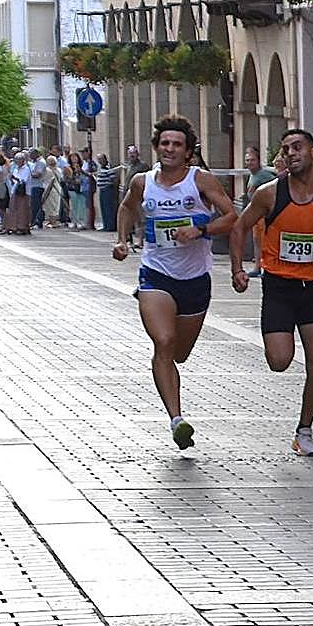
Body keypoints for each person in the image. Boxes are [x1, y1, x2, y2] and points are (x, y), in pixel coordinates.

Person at [229, 129, 313, 456]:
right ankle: (301, 424)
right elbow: (239, 226)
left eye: (297, 147)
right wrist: (237, 268)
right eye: (286, 148)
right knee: (279, 361)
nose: (291, 153)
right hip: (278, 287)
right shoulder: (269, 194)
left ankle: (304, 430)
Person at [112, 114, 237, 449]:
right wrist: (123, 241)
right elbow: (126, 208)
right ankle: (176, 419)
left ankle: (174, 406)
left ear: (188, 151)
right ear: (156, 147)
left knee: (180, 352)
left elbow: (232, 217)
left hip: (195, 278)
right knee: (164, 342)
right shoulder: (143, 181)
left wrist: (201, 230)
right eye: (164, 143)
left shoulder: (201, 181)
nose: (169, 149)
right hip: (155, 273)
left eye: (176, 144)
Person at [243, 146, 277, 278]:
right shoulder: (252, 175)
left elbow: (275, 186)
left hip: (264, 214)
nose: (249, 163)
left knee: (264, 241)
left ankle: (265, 267)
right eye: (247, 160)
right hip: (254, 214)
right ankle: (257, 266)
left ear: (258, 161)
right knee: (256, 241)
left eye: (252, 160)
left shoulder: (265, 175)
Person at [5, 152, 32, 235]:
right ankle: (14, 226)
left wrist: (14, 178)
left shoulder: (26, 169)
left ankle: (22, 227)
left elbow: (22, 180)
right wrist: (11, 179)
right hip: (15, 190)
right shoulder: (16, 168)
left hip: (23, 192)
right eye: (16, 160)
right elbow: (14, 180)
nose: (17, 162)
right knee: (14, 208)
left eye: (19, 160)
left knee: (22, 209)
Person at [95, 154, 119, 231]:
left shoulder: (108, 168)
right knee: (103, 208)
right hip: (102, 189)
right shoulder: (100, 168)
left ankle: (110, 226)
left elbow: (113, 179)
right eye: (98, 159)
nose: (100, 161)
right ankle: (105, 225)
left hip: (107, 189)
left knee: (108, 208)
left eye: (101, 159)